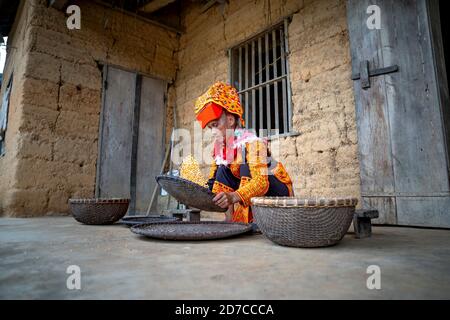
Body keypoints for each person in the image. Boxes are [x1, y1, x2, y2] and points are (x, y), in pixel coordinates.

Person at [185, 82, 294, 224]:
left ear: (230, 120)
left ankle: (252, 220)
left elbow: (261, 183)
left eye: (215, 125)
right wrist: (194, 195)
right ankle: (230, 219)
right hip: (256, 190)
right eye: (210, 127)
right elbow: (212, 183)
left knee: (244, 166)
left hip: (278, 190)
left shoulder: (252, 142)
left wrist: (232, 196)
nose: (212, 132)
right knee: (222, 171)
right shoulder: (220, 151)